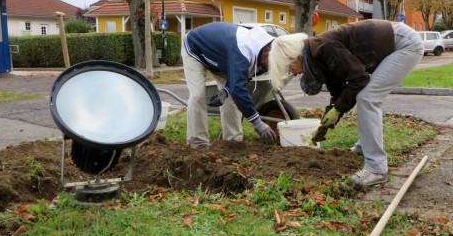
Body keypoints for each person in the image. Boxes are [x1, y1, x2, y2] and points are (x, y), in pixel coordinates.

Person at [268, 19, 424, 186]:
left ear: (297, 57)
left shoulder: (324, 48)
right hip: (395, 41)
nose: (294, 73)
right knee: (365, 95)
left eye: (290, 67)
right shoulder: (317, 55)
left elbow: (359, 79)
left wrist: (338, 109)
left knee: (368, 97)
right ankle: (363, 148)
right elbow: (338, 90)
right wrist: (333, 111)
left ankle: (376, 169)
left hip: (404, 44)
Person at [181, 22, 279, 148]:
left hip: (222, 59)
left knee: (232, 98)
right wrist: (258, 123)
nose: (269, 65)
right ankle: (198, 143)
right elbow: (238, 88)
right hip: (195, 48)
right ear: (266, 50)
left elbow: (238, 79)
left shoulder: (262, 57)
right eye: (270, 60)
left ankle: (233, 143)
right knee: (197, 96)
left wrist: (226, 91)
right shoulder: (243, 48)